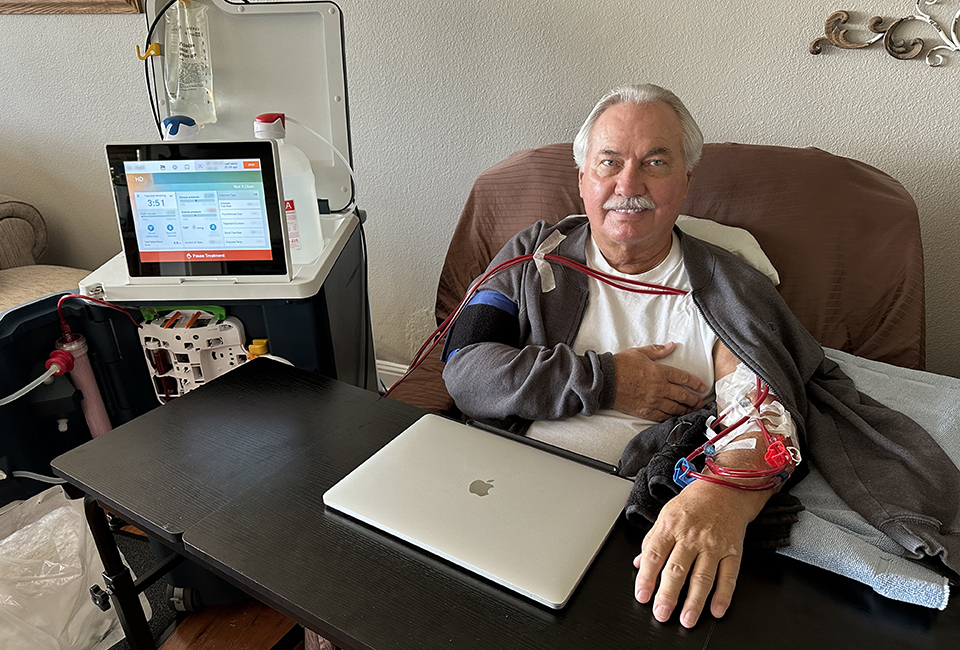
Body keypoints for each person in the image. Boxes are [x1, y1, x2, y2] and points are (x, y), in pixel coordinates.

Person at [441, 84, 960, 628]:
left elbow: (759, 409)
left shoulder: (729, 287)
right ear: (582, 179)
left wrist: (724, 494)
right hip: (498, 486)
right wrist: (610, 380)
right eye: (609, 162)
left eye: (655, 162)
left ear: (687, 181)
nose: (628, 184)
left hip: (634, 521)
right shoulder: (529, 258)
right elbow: (465, 369)